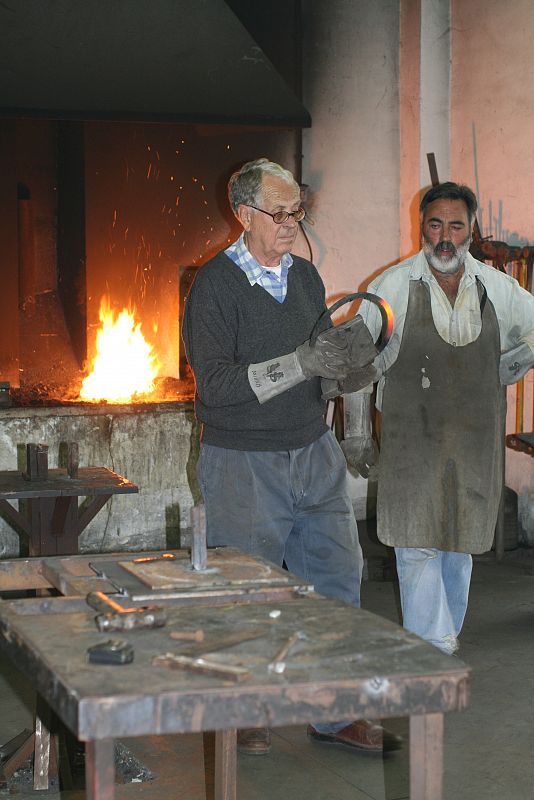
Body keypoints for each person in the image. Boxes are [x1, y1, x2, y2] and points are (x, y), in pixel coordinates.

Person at [182, 158, 399, 756]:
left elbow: (320, 368)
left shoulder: (304, 278)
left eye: (297, 211)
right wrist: (299, 365)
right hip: (244, 461)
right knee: (244, 590)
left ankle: (332, 712)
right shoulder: (214, 285)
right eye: (278, 213)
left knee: (334, 578)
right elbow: (216, 388)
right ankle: (242, 713)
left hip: (313, 450)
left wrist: (355, 369)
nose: (290, 223)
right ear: (244, 214)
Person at [342, 181, 534, 656]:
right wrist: (357, 434)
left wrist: (514, 362)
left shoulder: (496, 286)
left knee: (460, 542)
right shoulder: (390, 288)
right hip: (412, 439)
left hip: (474, 440)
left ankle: (443, 635)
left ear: (470, 230)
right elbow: (355, 366)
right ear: (420, 227)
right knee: (415, 543)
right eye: (435, 224)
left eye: (456, 225)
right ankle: (433, 645)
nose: (445, 236)